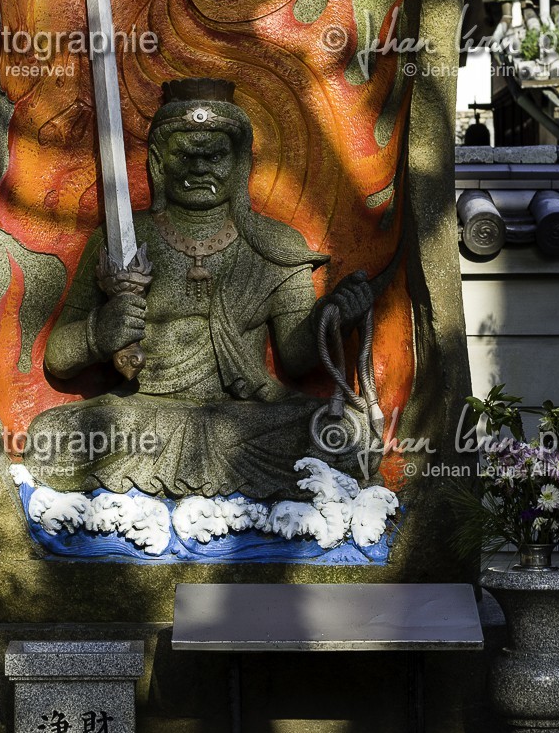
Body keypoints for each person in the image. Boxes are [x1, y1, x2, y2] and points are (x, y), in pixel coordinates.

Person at [24, 79, 374, 498]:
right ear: (158, 162)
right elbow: (59, 358)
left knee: (348, 434)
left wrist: (334, 316)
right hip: (144, 415)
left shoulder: (274, 245)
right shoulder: (121, 238)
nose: (200, 168)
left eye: (215, 156)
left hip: (245, 418)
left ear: (240, 163)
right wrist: (96, 334)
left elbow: (297, 358)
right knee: (50, 438)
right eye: (185, 155)